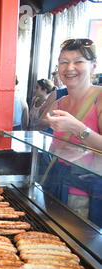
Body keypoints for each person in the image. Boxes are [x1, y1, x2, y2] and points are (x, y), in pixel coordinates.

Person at [43, 38, 102, 226]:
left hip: (85, 191)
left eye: (78, 62)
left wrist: (78, 129)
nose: (69, 68)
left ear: (93, 66)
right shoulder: (58, 103)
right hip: (54, 184)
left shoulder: (99, 100)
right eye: (64, 62)